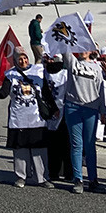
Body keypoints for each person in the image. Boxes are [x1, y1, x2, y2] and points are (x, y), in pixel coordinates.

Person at [0, 47, 52, 188]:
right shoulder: (10, 75)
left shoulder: (38, 72)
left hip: (36, 118)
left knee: (39, 149)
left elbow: (46, 92)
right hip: (18, 118)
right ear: (15, 60)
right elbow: (3, 93)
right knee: (20, 150)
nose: (23, 60)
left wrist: (53, 109)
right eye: (20, 58)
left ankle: (42, 178)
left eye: (25, 58)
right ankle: (21, 177)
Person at [63, 45, 106, 193]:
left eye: (86, 48)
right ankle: (78, 178)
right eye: (80, 48)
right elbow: (65, 50)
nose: (83, 51)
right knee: (76, 144)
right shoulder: (73, 62)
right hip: (73, 106)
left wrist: (103, 110)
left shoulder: (97, 67)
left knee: (89, 145)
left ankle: (93, 178)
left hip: (91, 108)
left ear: (91, 51)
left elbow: (101, 88)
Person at [42, 52, 72, 182]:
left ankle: (68, 173)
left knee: (66, 145)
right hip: (49, 112)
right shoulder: (43, 73)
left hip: (64, 113)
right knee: (52, 145)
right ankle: (53, 171)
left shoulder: (66, 74)